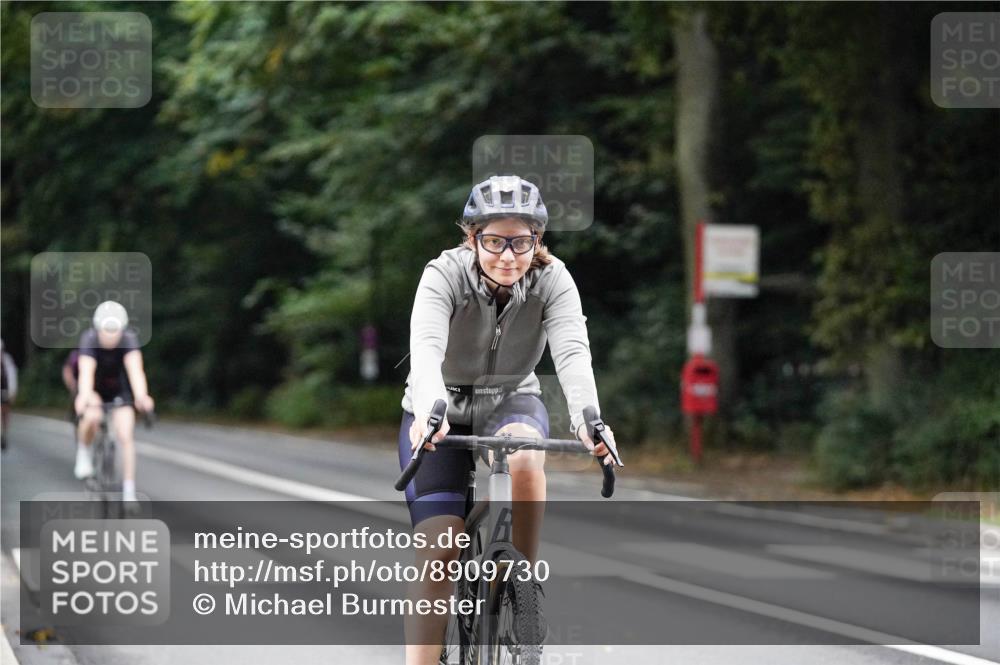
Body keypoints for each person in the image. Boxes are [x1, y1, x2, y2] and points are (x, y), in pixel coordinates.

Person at [398, 175, 617, 663]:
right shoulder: (443, 275)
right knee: (439, 550)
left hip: (511, 400)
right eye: (494, 241)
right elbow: (426, 348)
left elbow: (572, 353)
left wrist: (589, 420)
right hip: (441, 408)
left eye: (521, 242)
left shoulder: (553, 279)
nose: (508, 256)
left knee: (525, 460)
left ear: (537, 240)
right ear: (473, 237)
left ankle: (521, 587)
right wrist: (430, 411)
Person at [74, 301, 154, 506]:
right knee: (91, 415)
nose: (111, 335)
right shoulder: (90, 339)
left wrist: (142, 396)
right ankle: (83, 451)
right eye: (106, 330)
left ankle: (129, 490)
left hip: (119, 390)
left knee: (126, 436)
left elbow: (136, 371)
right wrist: (84, 396)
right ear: (98, 328)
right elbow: (86, 373)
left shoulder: (128, 339)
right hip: (95, 389)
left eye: (115, 330)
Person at [1, 338, 17, 451]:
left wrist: (12, 392)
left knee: (5, 413)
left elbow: (12, 376)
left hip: (5, 390)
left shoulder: (7, 360)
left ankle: (4, 433)